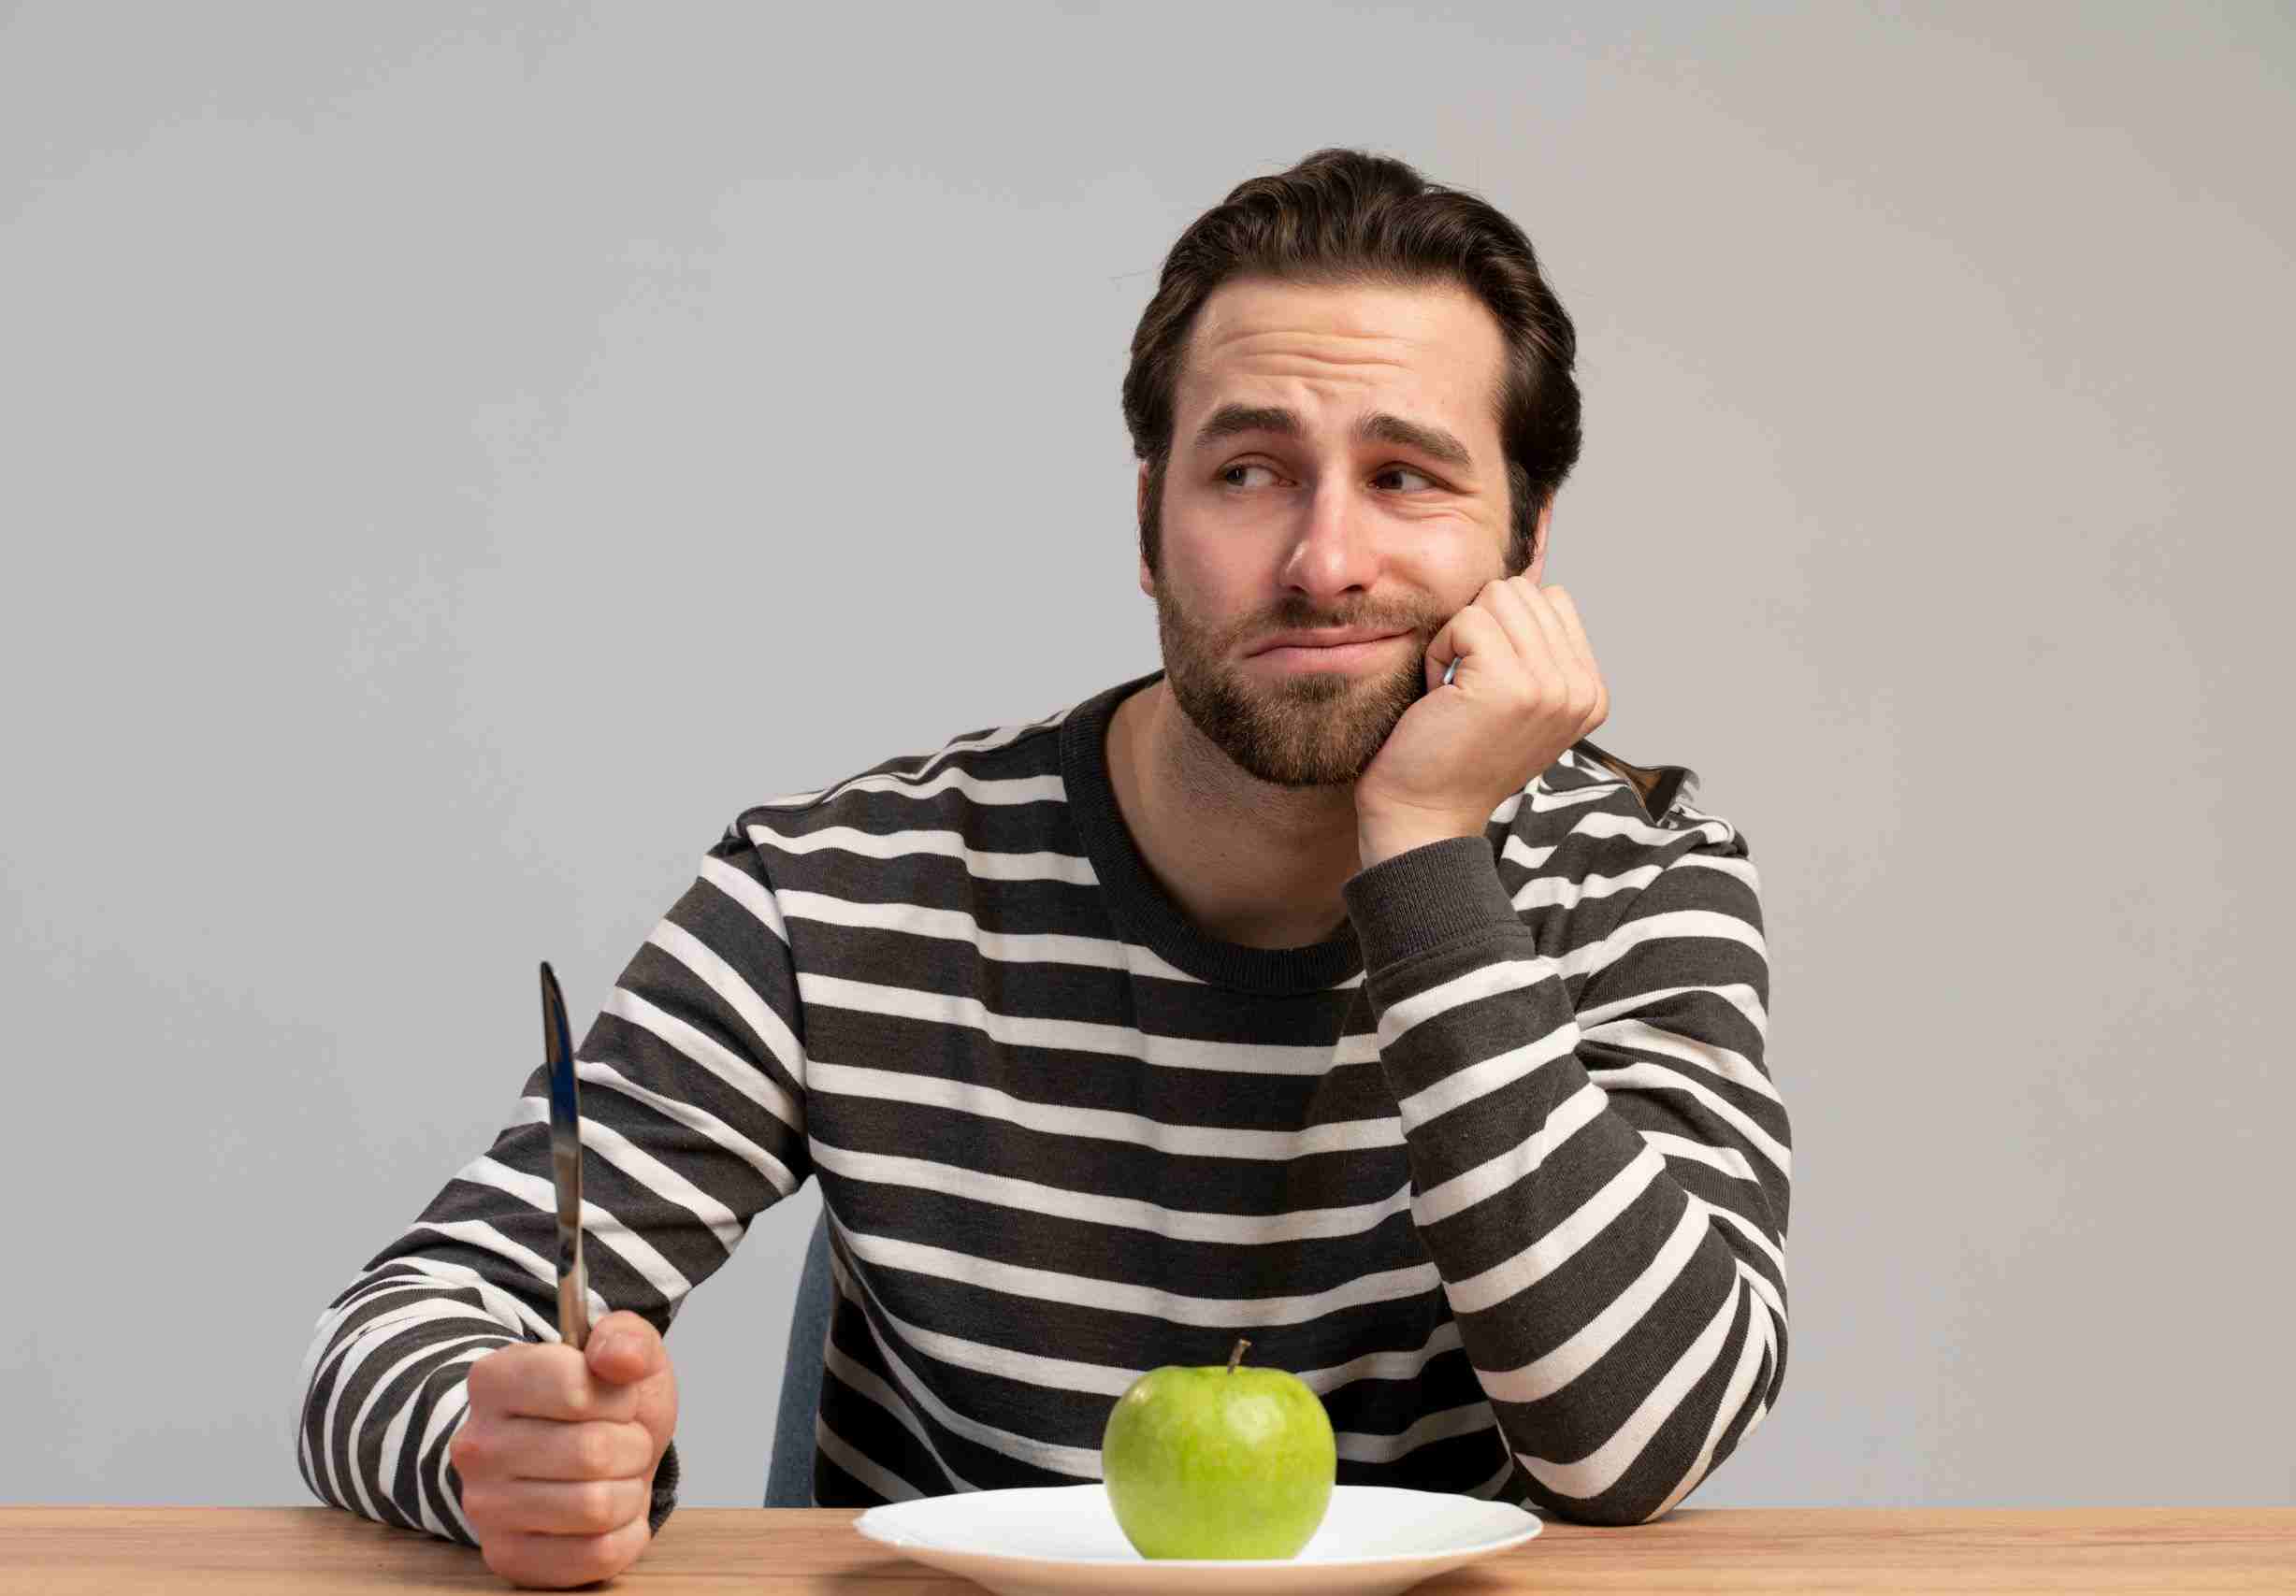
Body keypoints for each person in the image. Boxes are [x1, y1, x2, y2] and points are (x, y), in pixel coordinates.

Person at [296, 146, 1792, 1589]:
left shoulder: (1636, 884)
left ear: (1526, 545)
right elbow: (403, 1321)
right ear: (1148, 522)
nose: (1326, 561)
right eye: (1251, 470)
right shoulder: (844, 891)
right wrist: (500, 1448)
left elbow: (1638, 1446)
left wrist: (1426, 857)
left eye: (1407, 479)